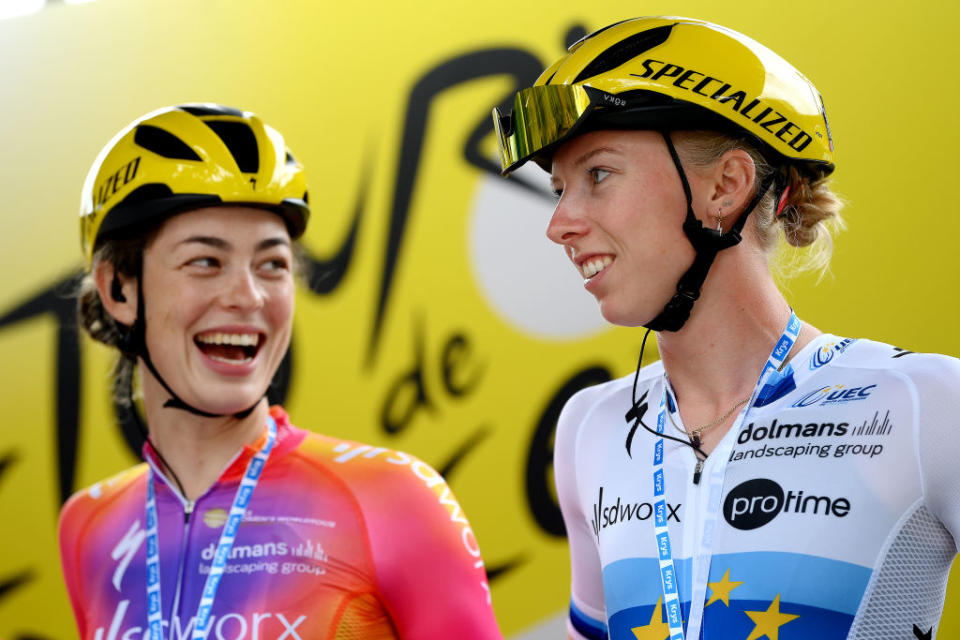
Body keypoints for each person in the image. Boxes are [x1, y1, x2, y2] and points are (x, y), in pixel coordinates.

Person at [493, 16, 959, 640]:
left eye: (598, 175)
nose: (559, 223)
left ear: (726, 186)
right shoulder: (589, 429)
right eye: (558, 189)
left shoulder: (924, 406)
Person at [58, 103, 503, 639]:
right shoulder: (88, 526)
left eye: (272, 264)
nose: (248, 297)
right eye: (206, 261)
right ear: (118, 289)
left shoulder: (394, 497)